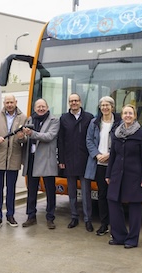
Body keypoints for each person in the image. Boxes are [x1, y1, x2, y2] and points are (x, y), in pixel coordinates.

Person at [105, 104, 142, 248]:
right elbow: (112, 155)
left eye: (130, 113)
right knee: (113, 202)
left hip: (135, 176)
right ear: (122, 115)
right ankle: (119, 236)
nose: (128, 116)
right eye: (125, 113)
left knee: (135, 206)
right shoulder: (116, 133)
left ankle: (132, 239)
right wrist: (108, 174)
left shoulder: (141, 133)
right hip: (117, 174)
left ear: (135, 116)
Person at [0, 94, 27, 229]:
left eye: (11, 102)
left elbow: (26, 138)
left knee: (11, 189)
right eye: (7, 102)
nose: (9, 104)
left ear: (16, 102)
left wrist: (22, 138)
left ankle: (10, 215)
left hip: (14, 158)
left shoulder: (23, 117)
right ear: (4, 103)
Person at [84, 96, 121, 236]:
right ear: (100, 107)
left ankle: (115, 226)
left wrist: (110, 155)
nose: (105, 107)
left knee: (114, 195)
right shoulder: (94, 122)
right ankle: (104, 224)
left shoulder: (119, 123)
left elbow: (121, 142)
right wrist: (97, 154)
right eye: (102, 105)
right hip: (99, 164)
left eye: (108, 105)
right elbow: (88, 140)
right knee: (102, 195)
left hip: (114, 164)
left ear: (112, 107)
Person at [58, 93, 94, 232]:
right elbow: (60, 140)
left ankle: (88, 220)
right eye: (71, 101)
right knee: (72, 192)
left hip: (85, 161)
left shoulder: (89, 118)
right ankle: (74, 217)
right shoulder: (64, 118)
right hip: (69, 160)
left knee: (86, 193)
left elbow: (92, 138)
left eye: (76, 100)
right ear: (69, 103)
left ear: (80, 102)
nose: (74, 103)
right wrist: (61, 160)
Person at [21, 98, 60, 229]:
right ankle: (31, 216)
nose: (41, 109)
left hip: (47, 160)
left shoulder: (54, 120)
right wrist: (23, 137)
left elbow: (49, 136)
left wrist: (31, 133)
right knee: (31, 190)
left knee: (50, 190)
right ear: (35, 108)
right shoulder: (30, 119)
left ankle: (50, 218)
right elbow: (27, 138)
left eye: (43, 106)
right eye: (38, 107)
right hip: (32, 159)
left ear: (47, 107)